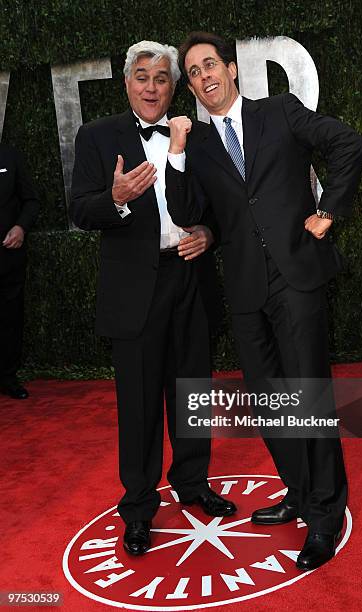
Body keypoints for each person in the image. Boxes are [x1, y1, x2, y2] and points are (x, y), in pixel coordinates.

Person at [166, 31, 362, 571]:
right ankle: (300, 493)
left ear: (231, 69)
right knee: (272, 403)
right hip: (248, 289)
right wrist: (178, 151)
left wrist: (328, 213)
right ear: (191, 87)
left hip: (297, 276)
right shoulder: (200, 146)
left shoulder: (279, 111)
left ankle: (325, 515)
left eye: (211, 65)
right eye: (194, 72)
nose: (204, 76)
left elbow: (348, 143)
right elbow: (188, 210)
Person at [70, 40, 236, 557]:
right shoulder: (98, 137)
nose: (151, 87)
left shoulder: (196, 136)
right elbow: (79, 209)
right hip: (134, 289)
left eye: (161, 78)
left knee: (190, 394)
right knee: (138, 407)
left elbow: (221, 207)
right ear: (127, 84)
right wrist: (115, 200)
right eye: (142, 77)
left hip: (188, 278)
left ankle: (193, 484)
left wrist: (208, 233)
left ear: (173, 87)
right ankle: (139, 508)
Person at [0, 143, 39, 399]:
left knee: (9, 319)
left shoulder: (10, 155)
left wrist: (21, 227)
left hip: (7, 259)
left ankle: (7, 377)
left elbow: (31, 199)